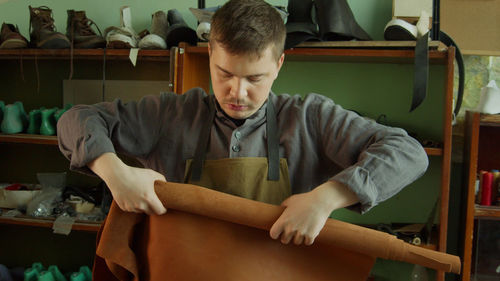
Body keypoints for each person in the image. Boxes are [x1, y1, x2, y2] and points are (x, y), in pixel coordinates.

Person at [57, 0, 428, 247]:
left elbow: (408, 152)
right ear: (210, 55)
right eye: (225, 74)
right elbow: (76, 119)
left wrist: (327, 198)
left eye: (255, 79)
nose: (238, 92)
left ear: (279, 65)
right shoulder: (171, 114)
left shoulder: (310, 118)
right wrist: (114, 172)